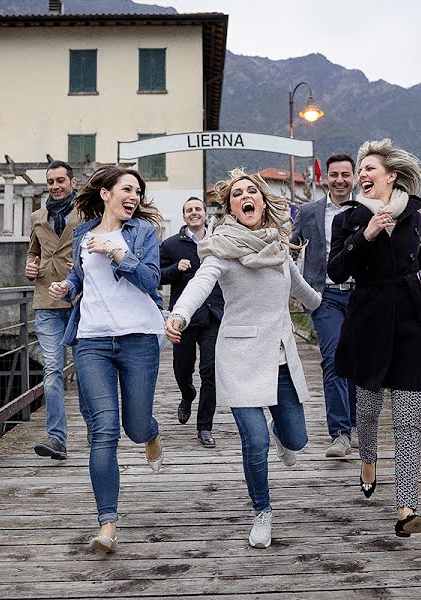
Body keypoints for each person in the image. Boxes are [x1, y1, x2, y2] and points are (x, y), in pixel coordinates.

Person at [164, 168, 321, 549]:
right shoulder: (222, 249)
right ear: (231, 207)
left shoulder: (280, 248)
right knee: (254, 442)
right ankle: (262, 512)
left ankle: (279, 433)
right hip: (239, 355)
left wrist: (329, 308)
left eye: (253, 191)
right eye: (238, 194)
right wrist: (179, 315)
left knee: (296, 441)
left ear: (263, 201)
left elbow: (303, 290)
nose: (246, 197)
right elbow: (200, 284)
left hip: (280, 354)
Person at [327, 139, 421, 538]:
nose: (362, 175)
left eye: (369, 168)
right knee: (367, 411)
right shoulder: (348, 218)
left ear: (391, 176)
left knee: (407, 422)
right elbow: (335, 270)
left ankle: (407, 507)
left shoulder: (413, 216)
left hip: (409, 321)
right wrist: (364, 235)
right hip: (368, 320)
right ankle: (368, 460)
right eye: (360, 169)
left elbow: (405, 259)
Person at [48, 165, 166, 553]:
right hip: (92, 340)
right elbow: (81, 278)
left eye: (138, 191)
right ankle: (107, 525)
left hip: (138, 338)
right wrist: (67, 285)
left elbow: (151, 280)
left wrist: (118, 253)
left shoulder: (143, 233)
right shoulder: (82, 233)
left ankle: (150, 433)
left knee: (134, 426)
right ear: (106, 194)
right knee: (104, 430)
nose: (133, 196)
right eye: (127, 189)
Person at [290, 154, 357, 458]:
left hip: (362, 296)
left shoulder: (367, 210)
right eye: (334, 174)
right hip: (324, 295)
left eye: (346, 174)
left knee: (359, 362)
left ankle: (355, 423)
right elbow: (290, 249)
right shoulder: (309, 212)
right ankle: (341, 433)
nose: (340, 180)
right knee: (334, 360)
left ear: (354, 178)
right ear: (325, 178)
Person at [26, 160, 83, 461]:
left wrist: (85, 267)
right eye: (51, 181)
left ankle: (94, 427)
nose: (55, 186)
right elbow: (32, 253)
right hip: (46, 301)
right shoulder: (37, 216)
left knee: (86, 370)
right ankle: (56, 438)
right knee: (52, 371)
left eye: (61, 180)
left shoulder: (88, 213)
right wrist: (29, 266)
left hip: (80, 302)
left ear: (73, 183)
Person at [159, 197, 224, 448]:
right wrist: (176, 268)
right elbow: (156, 274)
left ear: (206, 214)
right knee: (182, 368)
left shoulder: (219, 243)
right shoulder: (171, 244)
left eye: (198, 209)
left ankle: (204, 427)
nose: (194, 213)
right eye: (189, 210)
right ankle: (187, 394)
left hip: (214, 314)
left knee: (210, 371)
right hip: (183, 318)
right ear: (184, 216)